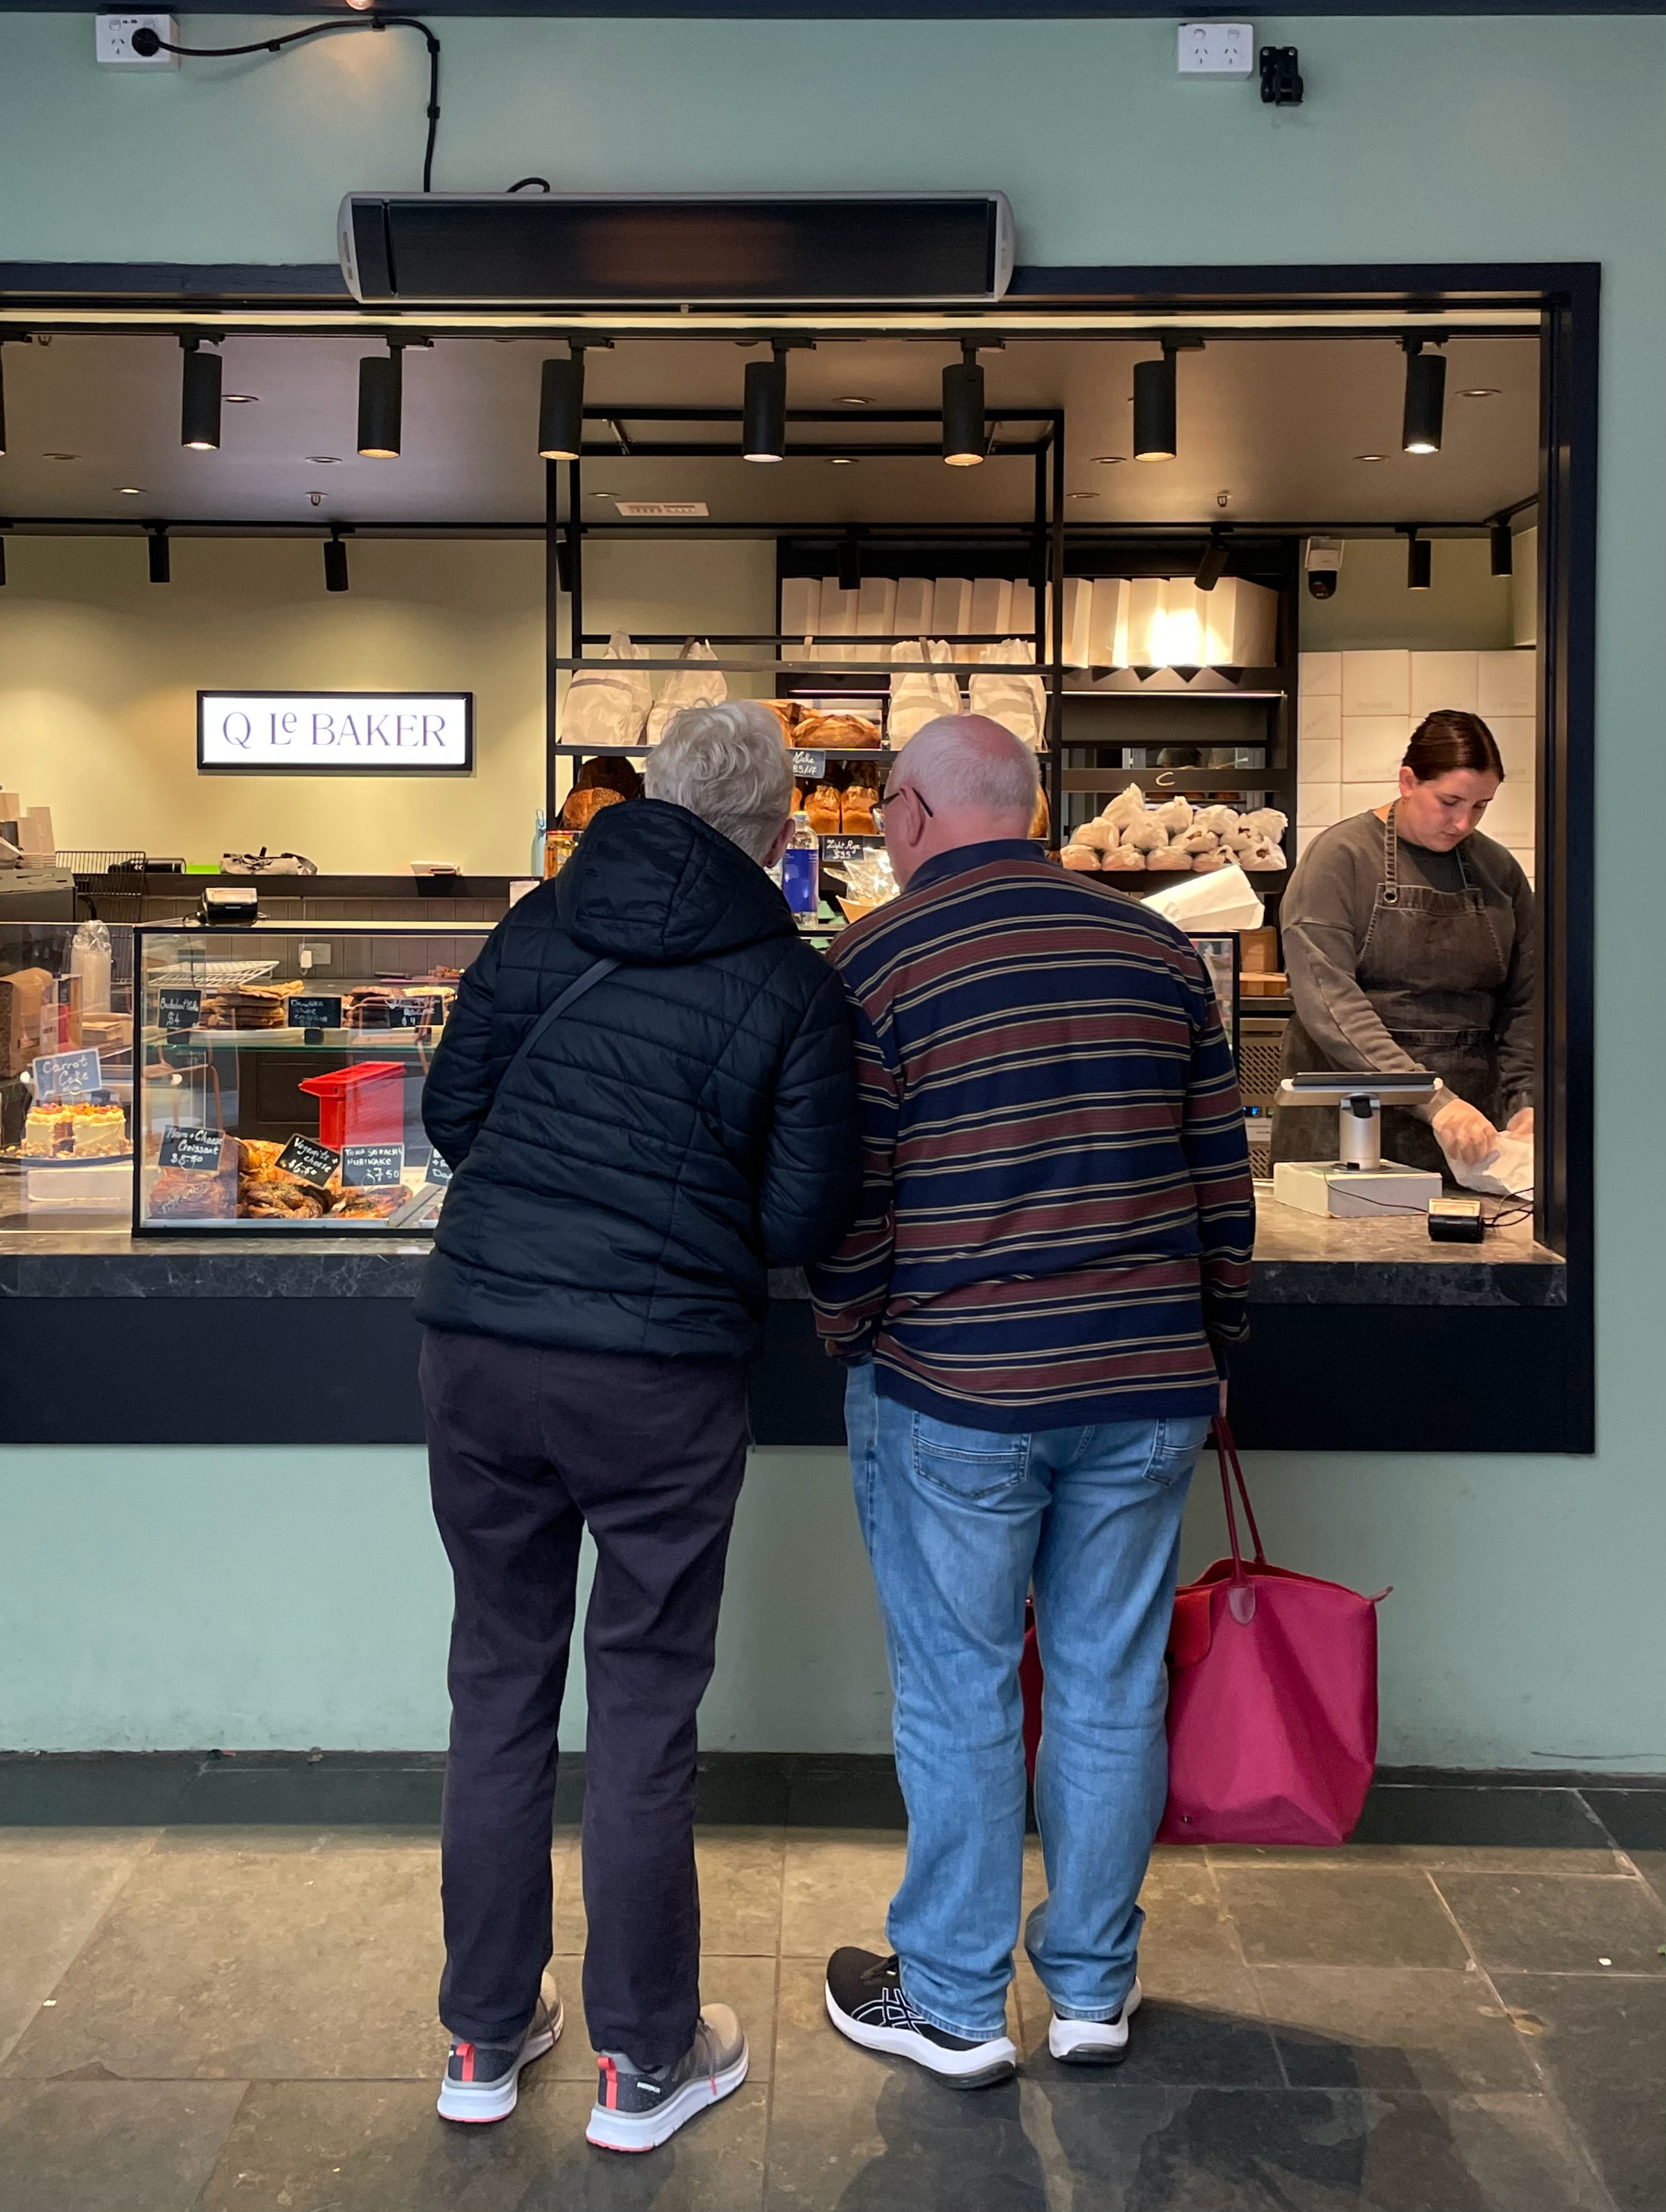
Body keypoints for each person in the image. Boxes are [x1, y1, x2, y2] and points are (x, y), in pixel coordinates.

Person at [416, 700, 860, 2151]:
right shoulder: (787, 987)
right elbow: (803, 1216)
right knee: (645, 1704)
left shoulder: (540, 924)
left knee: (497, 1685)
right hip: (659, 1377)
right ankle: (642, 2061)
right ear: (781, 832)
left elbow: (450, 1115)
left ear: (652, 796)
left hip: (479, 1349)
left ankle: (484, 2039)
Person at [808, 713, 1254, 2081]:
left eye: (888, 811)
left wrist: (847, 1329)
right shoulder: (1159, 949)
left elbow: (857, 1200)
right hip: (1147, 1382)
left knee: (959, 1695)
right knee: (1111, 1687)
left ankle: (947, 2002)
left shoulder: (873, 959)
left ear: (917, 815)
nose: (883, 830)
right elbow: (1218, 1180)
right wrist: (1211, 1339)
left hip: (957, 1389)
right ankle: (1091, 1995)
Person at [1272, 709, 1535, 1179]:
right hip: (1350, 1124)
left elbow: (1527, 1002)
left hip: (1471, 1132)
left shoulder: (1500, 873)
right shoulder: (1339, 859)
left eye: (1480, 806)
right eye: (1450, 801)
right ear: (1408, 781)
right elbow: (1331, 1004)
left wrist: (1526, 1101)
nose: (1462, 823)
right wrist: (1431, 1098)